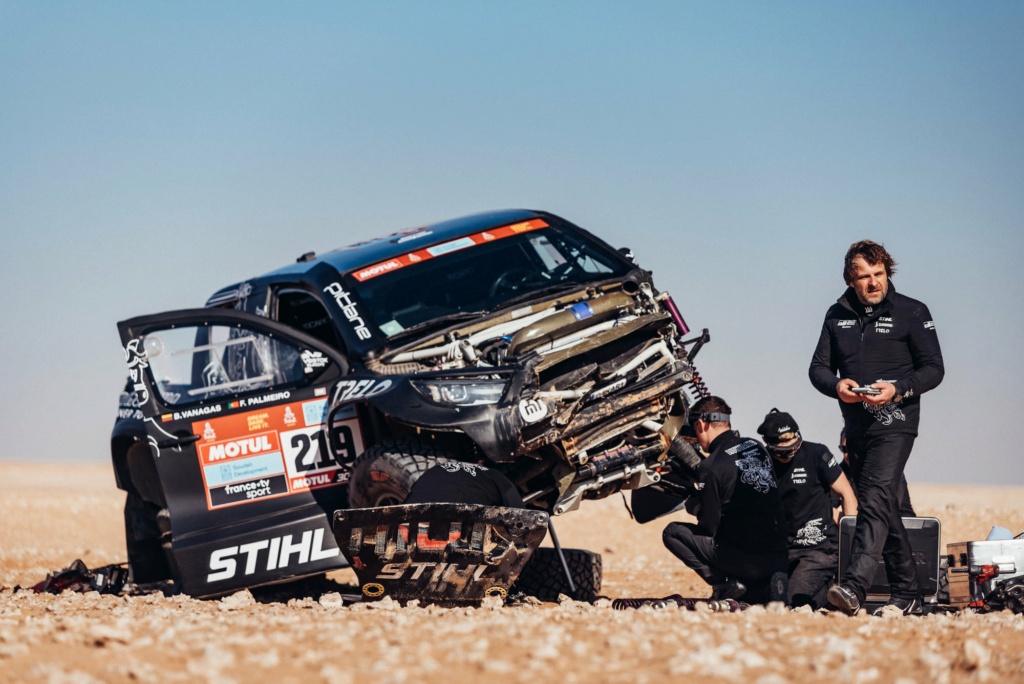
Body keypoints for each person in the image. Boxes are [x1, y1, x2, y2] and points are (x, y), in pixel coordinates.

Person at [809, 240, 944, 616]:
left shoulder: (913, 312)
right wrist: (838, 386)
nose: (873, 283)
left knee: (873, 498)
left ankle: (854, 587)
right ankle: (909, 592)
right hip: (856, 427)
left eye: (879, 274)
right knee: (885, 505)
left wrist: (898, 389)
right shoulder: (836, 315)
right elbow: (818, 369)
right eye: (864, 277)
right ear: (851, 281)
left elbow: (934, 368)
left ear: (888, 272)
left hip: (897, 424)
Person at [662, 396, 788, 603]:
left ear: (701, 424)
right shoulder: (756, 447)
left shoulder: (710, 467)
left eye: (695, 429)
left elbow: (709, 528)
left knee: (672, 533)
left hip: (746, 561)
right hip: (778, 557)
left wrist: (696, 507)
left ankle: (725, 583)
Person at [758, 409, 858, 609]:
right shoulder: (761, 464)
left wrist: (852, 548)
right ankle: (828, 592)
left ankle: (832, 587)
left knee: (790, 602)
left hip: (818, 550)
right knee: (765, 599)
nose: (788, 455)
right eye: (781, 452)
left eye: (793, 448)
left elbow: (847, 494)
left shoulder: (817, 454)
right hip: (782, 552)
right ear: (767, 445)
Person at [833, 428, 915, 521]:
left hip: (893, 527)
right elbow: (825, 508)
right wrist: (845, 521)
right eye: (844, 449)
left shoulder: (889, 471)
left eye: (852, 447)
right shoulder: (839, 474)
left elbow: (899, 513)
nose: (848, 454)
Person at [405, 461, 525, 507]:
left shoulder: (434, 469)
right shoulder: (496, 476)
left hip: (413, 523)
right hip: (462, 533)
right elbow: (523, 518)